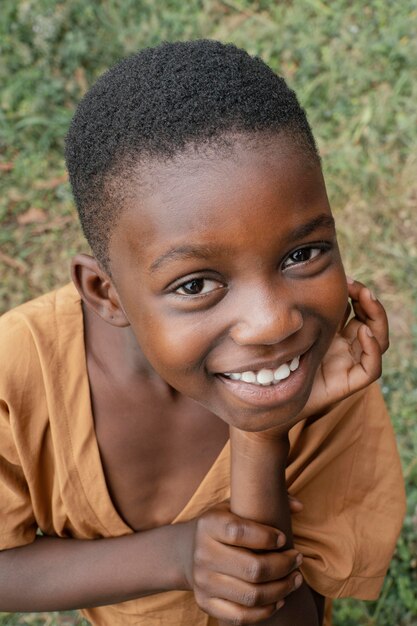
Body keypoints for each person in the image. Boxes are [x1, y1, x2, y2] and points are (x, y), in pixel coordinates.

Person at [0, 40, 405, 626]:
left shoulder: (323, 387)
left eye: (304, 253)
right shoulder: (18, 373)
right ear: (104, 293)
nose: (273, 323)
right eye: (196, 285)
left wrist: (260, 439)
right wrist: (173, 555)